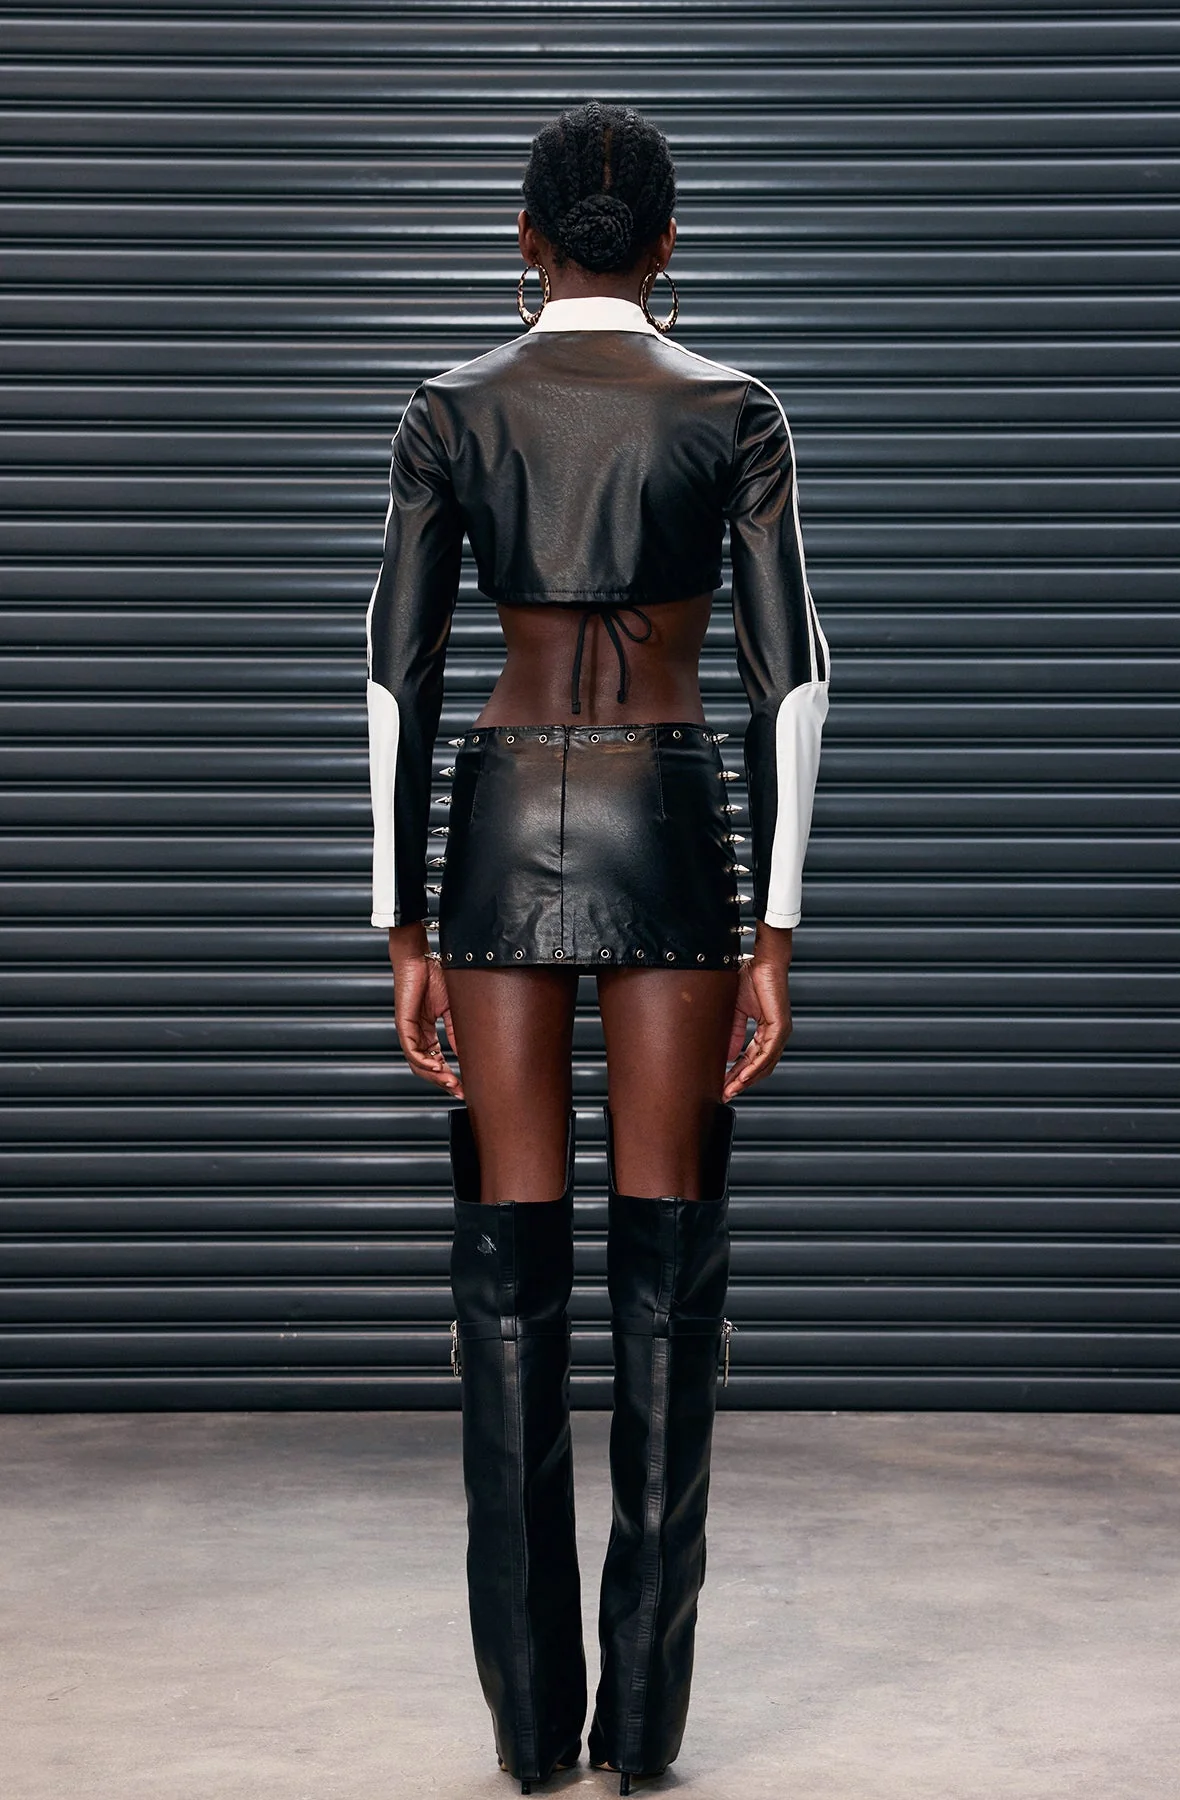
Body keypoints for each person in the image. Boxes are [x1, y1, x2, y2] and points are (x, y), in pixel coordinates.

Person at [365, 102, 830, 1795]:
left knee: (507, 1277)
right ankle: (642, 1731)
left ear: (526, 235)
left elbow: (395, 676)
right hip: (667, 818)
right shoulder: (734, 411)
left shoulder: (451, 410)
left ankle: (525, 1731)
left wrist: (400, 920)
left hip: (500, 823)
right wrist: (774, 929)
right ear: (671, 243)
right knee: (668, 1271)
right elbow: (794, 684)